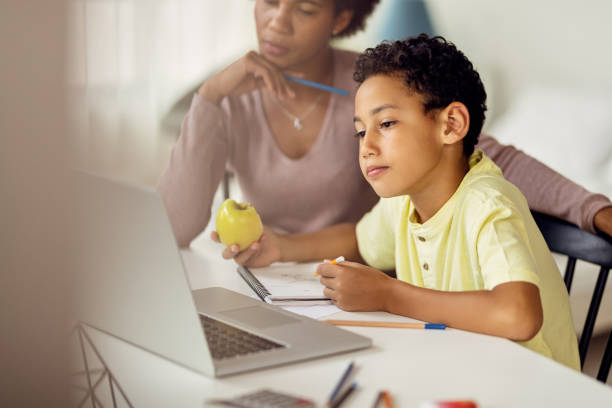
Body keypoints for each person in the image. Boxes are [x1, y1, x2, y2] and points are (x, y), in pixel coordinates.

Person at [158, 0, 612, 253]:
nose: (277, 22)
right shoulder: (231, 96)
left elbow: (486, 155)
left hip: (365, 283)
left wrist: (591, 208)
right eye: (270, 2)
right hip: (267, 285)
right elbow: (176, 229)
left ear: (339, 18)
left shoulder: (373, 89)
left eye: (304, 9)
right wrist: (209, 97)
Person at [245, 34, 581, 370]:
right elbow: (359, 240)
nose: (367, 147)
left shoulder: (487, 204)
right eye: (361, 131)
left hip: (529, 387)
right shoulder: (405, 202)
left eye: (386, 123)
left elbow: (518, 315)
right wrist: (281, 247)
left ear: (451, 125)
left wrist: (388, 294)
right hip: (461, 373)